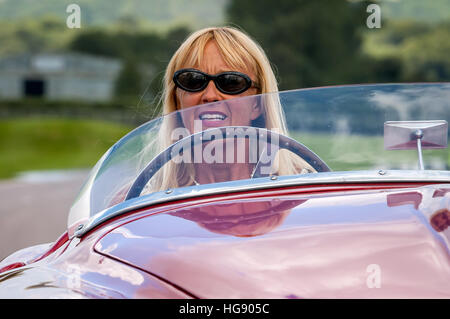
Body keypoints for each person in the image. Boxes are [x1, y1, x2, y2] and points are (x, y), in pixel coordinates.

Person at [144, 26, 314, 193]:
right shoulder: (142, 200)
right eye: (193, 81)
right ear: (178, 101)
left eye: (231, 82)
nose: (210, 96)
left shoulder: (304, 189)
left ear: (257, 104)